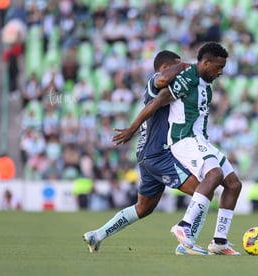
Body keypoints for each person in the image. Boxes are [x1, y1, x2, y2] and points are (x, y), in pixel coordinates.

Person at [113, 43, 242, 255]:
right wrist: (132, 129)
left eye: (223, 68)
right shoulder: (188, 77)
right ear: (205, 62)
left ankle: (219, 241)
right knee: (214, 174)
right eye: (218, 67)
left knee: (234, 184)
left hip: (200, 140)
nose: (220, 72)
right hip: (183, 139)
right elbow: (160, 100)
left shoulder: (205, 83)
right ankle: (184, 226)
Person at [83, 51, 209, 255]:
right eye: (176, 65)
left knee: (143, 208)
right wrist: (186, 65)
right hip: (158, 154)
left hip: (147, 155)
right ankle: (187, 244)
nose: (181, 70)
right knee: (204, 190)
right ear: (165, 66)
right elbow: (163, 77)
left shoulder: (170, 91)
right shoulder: (155, 81)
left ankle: (97, 235)